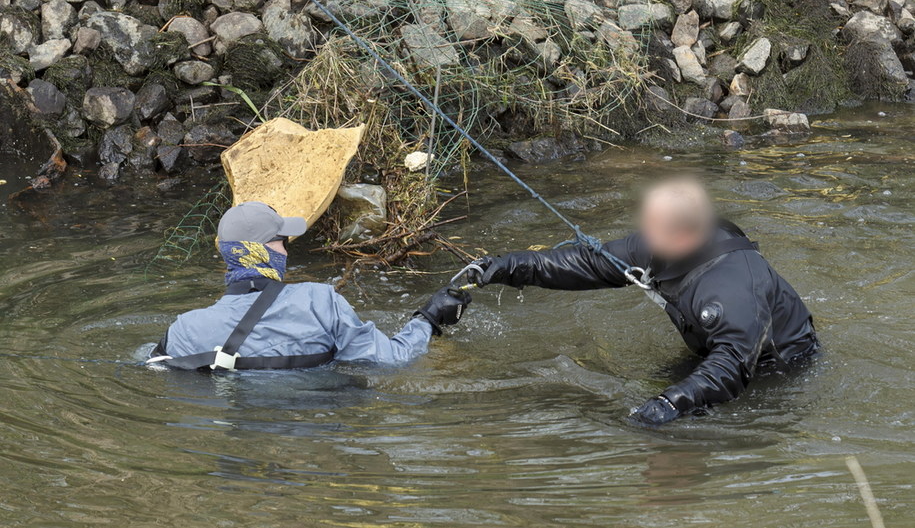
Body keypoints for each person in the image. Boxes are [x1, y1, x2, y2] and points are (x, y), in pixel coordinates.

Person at [467, 177, 819, 426]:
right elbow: (588, 263)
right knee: (648, 393)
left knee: (695, 427)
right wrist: (506, 266)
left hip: (776, 369)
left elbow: (731, 367)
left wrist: (671, 402)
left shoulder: (731, 286)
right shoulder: (657, 244)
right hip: (717, 347)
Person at [148, 201, 472, 370]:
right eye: (282, 241)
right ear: (264, 251)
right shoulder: (320, 302)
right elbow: (392, 360)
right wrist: (429, 319)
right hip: (317, 428)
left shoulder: (182, 331)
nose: (286, 249)